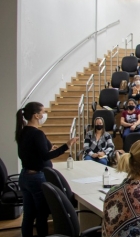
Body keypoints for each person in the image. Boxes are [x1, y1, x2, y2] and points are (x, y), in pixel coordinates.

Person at [16, 102, 78, 237]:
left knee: (28, 215)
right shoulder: (36, 133)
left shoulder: (23, 131)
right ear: (36, 115)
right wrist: (66, 146)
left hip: (25, 176)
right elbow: (45, 156)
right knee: (41, 214)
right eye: (43, 112)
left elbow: (33, 152)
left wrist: (47, 147)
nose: (45, 114)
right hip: (36, 178)